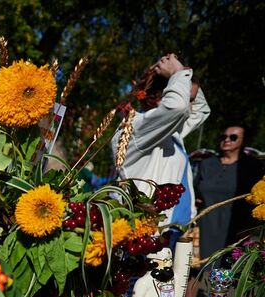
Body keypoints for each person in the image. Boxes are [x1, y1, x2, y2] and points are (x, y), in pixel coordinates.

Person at [113, 53, 210, 246]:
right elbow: (177, 107)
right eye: (187, 98)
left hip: (173, 232)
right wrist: (178, 73)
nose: (191, 107)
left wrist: (183, 73)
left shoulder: (172, 134)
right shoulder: (137, 129)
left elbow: (202, 110)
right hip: (144, 234)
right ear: (161, 96)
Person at [194, 123, 265, 257]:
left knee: (227, 267)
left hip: (235, 227)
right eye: (223, 136)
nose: (226, 140)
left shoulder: (251, 166)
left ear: (243, 141)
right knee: (203, 267)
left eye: (233, 137)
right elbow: (196, 190)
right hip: (206, 225)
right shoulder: (207, 164)